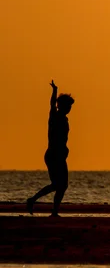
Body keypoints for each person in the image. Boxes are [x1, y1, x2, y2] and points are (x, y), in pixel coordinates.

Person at [27, 80, 75, 217]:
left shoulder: (65, 119)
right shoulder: (55, 115)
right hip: (53, 155)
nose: (69, 109)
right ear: (62, 106)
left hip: (60, 156)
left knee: (62, 185)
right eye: (67, 106)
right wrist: (55, 90)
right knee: (56, 184)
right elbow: (52, 103)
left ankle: (54, 211)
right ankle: (33, 200)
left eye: (70, 107)